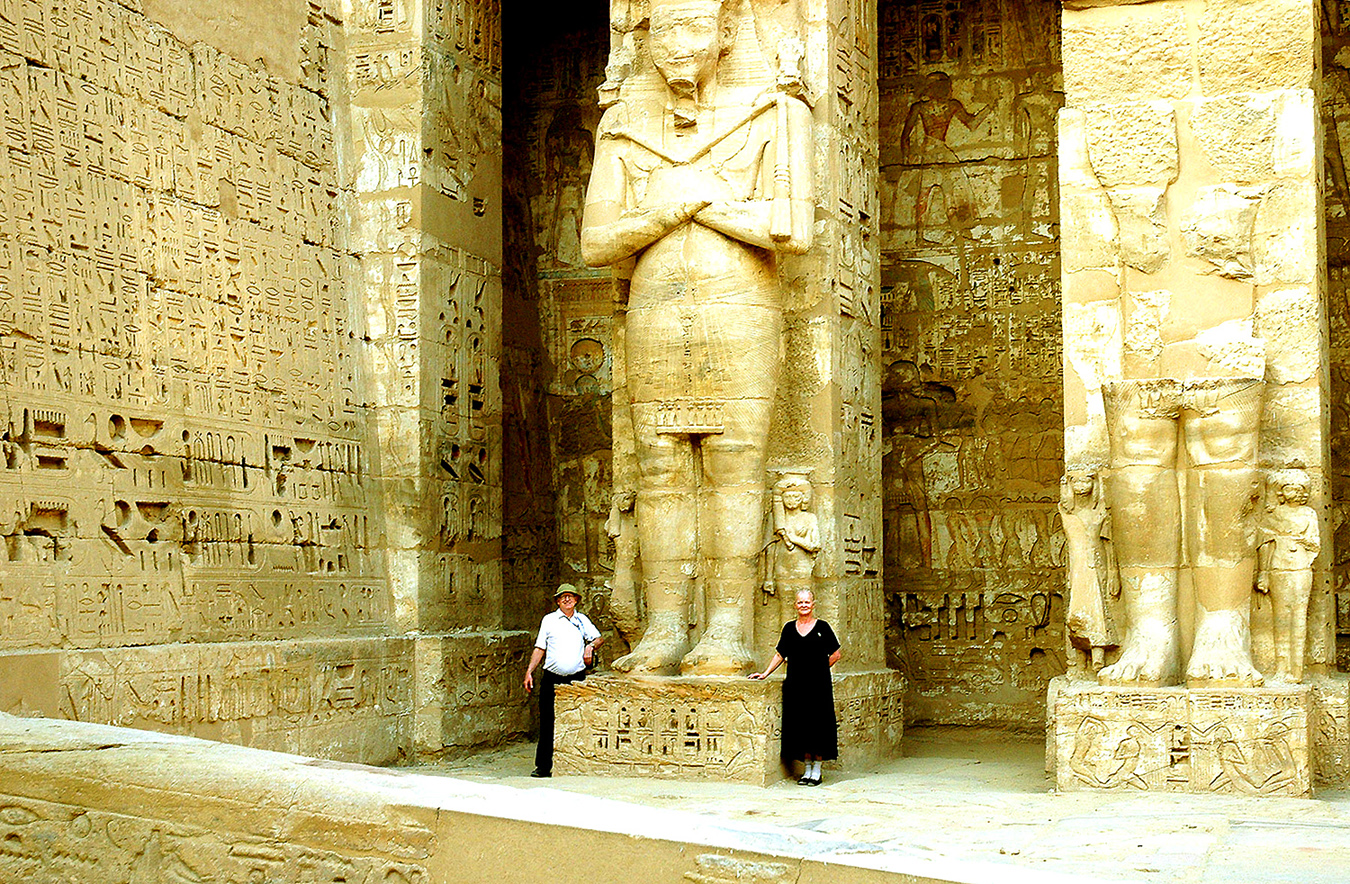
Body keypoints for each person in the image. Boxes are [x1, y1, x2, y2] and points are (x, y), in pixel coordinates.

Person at [581, 0, 813, 676]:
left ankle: (729, 628)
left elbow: (792, 229)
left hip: (740, 310)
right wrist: (665, 210)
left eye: (693, 26)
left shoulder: (775, 111)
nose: (678, 44)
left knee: (733, 466)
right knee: (660, 471)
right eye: (664, 29)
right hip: (656, 314)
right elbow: (596, 242)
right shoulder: (624, 125)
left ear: (726, 33)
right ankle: (663, 629)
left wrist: (701, 200)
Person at [748, 589, 841, 785]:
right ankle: (807, 769)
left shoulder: (822, 627)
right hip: (796, 685)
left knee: (818, 725)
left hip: (819, 686)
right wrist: (765, 673)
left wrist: (818, 670)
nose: (803, 605)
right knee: (801, 724)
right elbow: (780, 654)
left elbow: (836, 654)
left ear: (813, 604)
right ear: (795, 605)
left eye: (807, 602)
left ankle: (817, 769)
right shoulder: (789, 628)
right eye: (800, 602)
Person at [524, 585, 602, 777]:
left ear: (576, 600)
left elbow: (598, 638)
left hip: (576, 678)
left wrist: (590, 647)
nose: (567, 600)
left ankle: (577, 764)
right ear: (558, 601)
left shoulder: (582, 620)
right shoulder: (549, 620)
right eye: (563, 597)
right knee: (547, 721)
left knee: (578, 720)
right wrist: (529, 671)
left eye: (570, 596)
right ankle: (544, 766)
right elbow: (540, 648)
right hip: (552, 677)